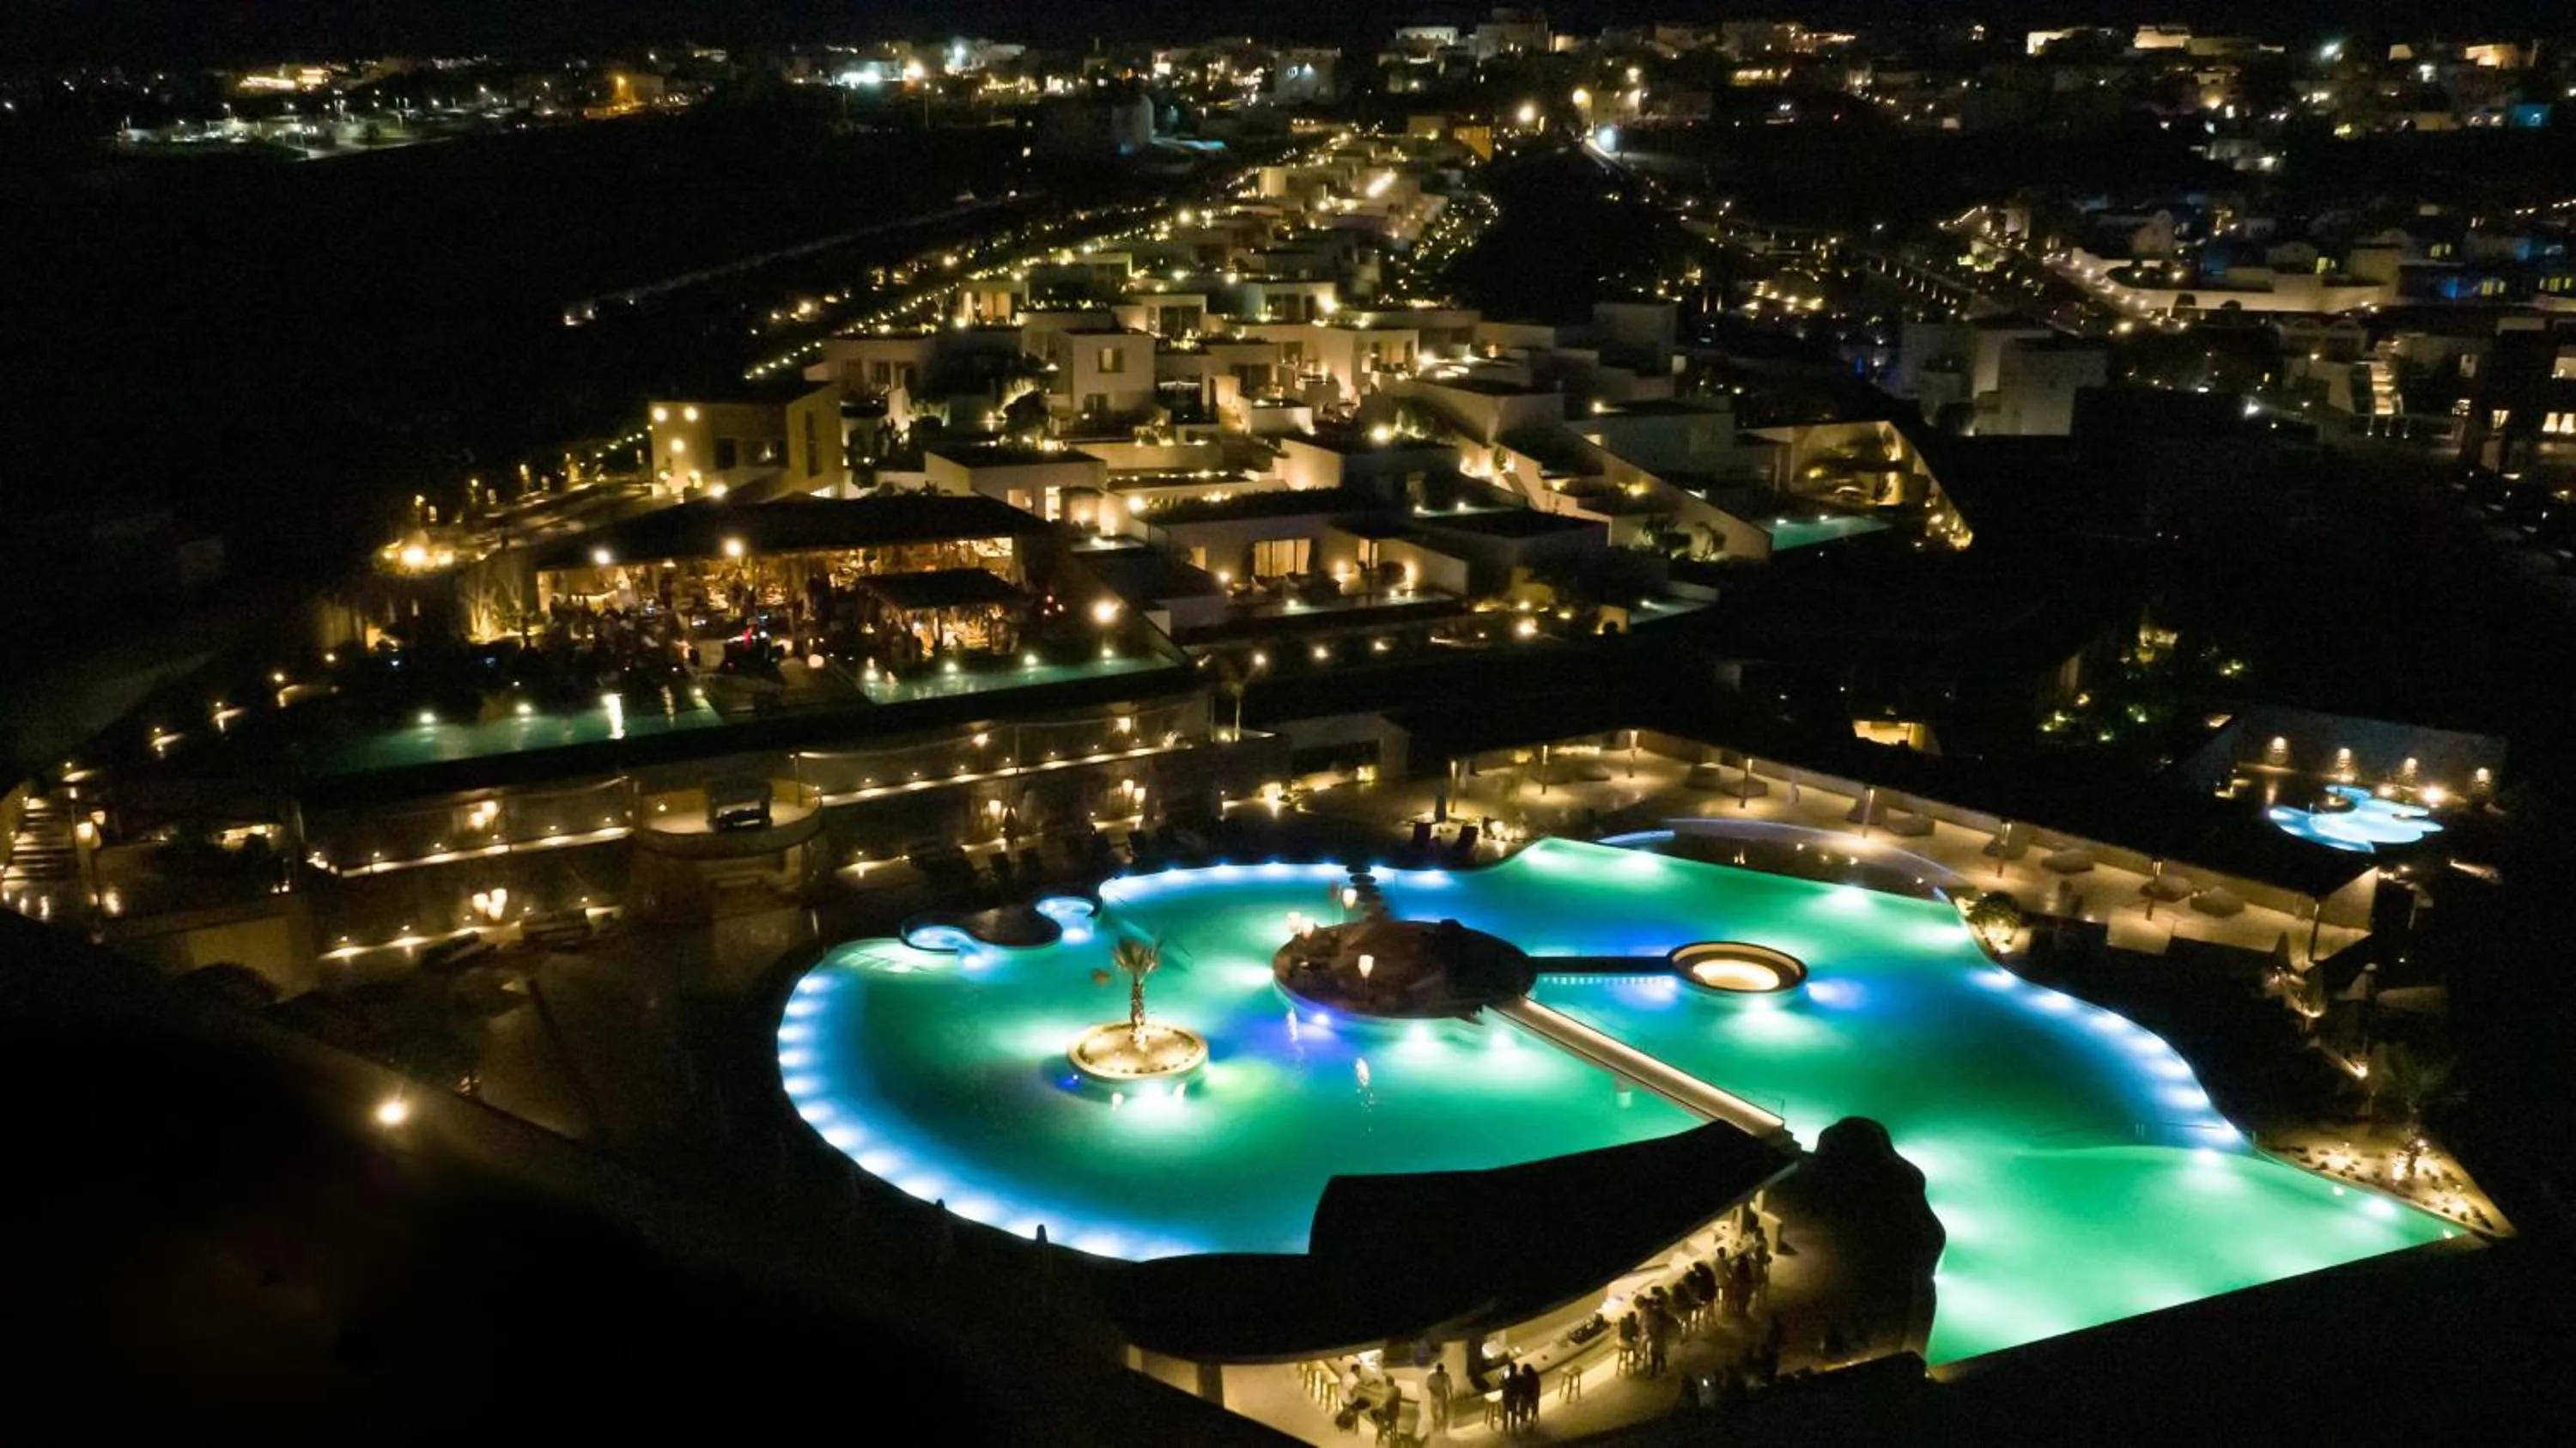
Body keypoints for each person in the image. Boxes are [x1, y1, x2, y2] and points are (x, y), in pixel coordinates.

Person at [1425, 1360, 1452, 1435]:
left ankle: (1444, 1429)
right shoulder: (1432, 1377)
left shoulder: (1446, 1376)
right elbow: (1428, 1386)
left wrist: (1451, 1395)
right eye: (1439, 1371)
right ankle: (1435, 1425)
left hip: (1442, 1396)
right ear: (1437, 1370)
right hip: (1434, 1397)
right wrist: (1434, 1392)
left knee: (1444, 1412)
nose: (1441, 1372)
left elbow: (1449, 1386)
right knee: (1433, 1412)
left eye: (1442, 1371)